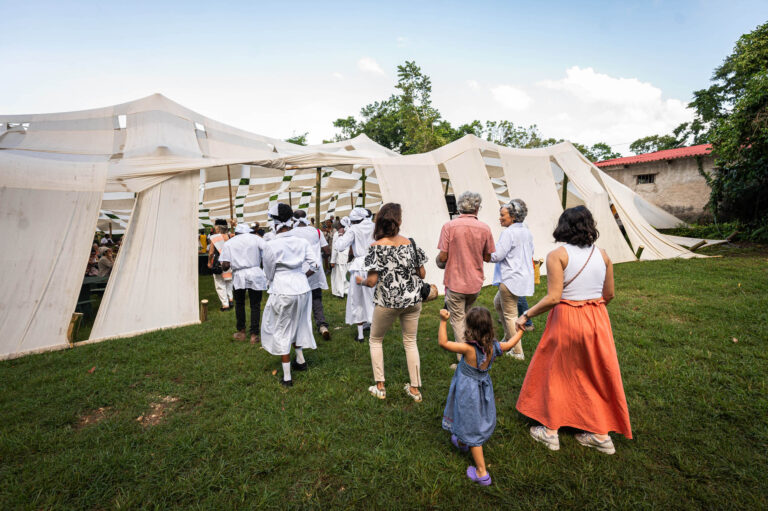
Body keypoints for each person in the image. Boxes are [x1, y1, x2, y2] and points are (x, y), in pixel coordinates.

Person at [515, 206, 632, 454]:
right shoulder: (604, 255)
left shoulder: (557, 254)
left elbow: (554, 297)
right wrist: (592, 310)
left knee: (557, 372)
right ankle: (601, 436)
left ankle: (550, 432)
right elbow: (609, 294)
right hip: (597, 317)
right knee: (594, 373)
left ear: (563, 226)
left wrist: (526, 314)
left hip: (567, 318)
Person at [438, 307, 524, 486]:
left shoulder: (468, 349)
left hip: (467, 392)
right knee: (468, 417)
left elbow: (443, 343)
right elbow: (509, 344)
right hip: (482, 388)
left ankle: (482, 472)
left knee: (473, 428)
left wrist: (443, 321)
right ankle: (462, 443)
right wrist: (520, 332)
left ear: (469, 328)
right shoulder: (493, 347)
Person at [356, 203, 427, 402]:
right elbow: (422, 273)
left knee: (376, 340)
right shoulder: (410, 243)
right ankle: (414, 389)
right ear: (399, 221)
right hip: (412, 300)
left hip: (387, 302)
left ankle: (380, 386)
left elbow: (371, 282)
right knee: (410, 342)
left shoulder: (375, 248)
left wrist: (360, 281)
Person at [261, 203, 319, 387]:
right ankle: (300, 360)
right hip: (302, 288)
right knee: (300, 322)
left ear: (275, 222)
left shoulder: (271, 245)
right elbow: (316, 265)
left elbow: (268, 272)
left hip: (282, 288)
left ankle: (287, 376)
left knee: (282, 328)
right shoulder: (302, 242)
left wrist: (274, 279)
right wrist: (302, 275)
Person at [437, 191, 495, 362]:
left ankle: (465, 360)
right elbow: (487, 257)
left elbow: (443, 257)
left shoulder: (449, 226)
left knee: (458, 321)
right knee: (468, 318)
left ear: (460, 207)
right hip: (474, 282)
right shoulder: (485, 228)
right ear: (477, 208)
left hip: (455, 281)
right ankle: (475, 350)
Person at [490, 199, 534, 360]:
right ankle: (509, 337)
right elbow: (531, 252)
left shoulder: (508, 233)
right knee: (497, 303)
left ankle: (517, 351)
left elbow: (497, 256)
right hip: (521, 277)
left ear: (513, 216)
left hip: (510, 279)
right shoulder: (526, 231)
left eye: (503, 215)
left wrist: (483, 253)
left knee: (510, 315)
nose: (500, 218)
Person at [220, 223, 268, 344]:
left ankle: (241, 332)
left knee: (240, 303)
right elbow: (268, 251)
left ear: (236, 233)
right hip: (255, 272)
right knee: (255, 304)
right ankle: (254, 335)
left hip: (239, 275)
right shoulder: (256, 238)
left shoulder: (229, 243)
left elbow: (225, 266)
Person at [335, 207, 375, 342]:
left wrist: (341, 233)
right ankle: (375, 330)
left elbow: (340, 246)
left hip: (359, 265)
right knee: (373, 297)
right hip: (373, 264)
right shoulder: (375, 227)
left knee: (357, 298)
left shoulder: (353, 229)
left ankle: (360, 335)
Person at [291, 209, 332, 340]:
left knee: (299, 301)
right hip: (315, 270)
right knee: (316, 299)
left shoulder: (291, 233)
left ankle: (301, 328)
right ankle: (322, 326)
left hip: (298, 272)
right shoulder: (316, 231)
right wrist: (320, 257)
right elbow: (327, 250)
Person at [208, 219, 233, 312]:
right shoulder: (230, 236)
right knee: (229, 281)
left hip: (219, 262)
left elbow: (211, 253)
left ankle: (225, 305)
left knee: (220, 284)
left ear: (217, 227)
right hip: (229, 262)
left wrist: (209, 262)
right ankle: (230, 300)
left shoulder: (215, 237)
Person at [330, 219, 350, 298]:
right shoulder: (350, 232)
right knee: (346, 275)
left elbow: (335, 248)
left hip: (339, 257)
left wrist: (332, 260)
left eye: (338, 224)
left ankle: (339, 293)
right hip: (347, 257)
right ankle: (346, 291)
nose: (337, 225)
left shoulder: (337, 234)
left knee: (339, 276)